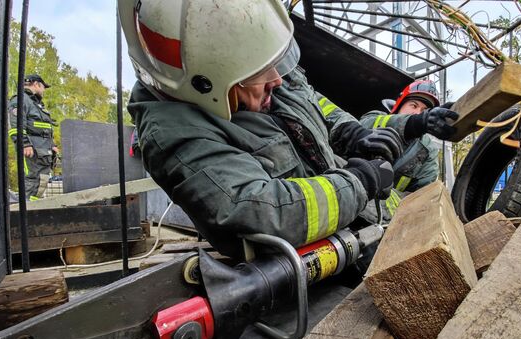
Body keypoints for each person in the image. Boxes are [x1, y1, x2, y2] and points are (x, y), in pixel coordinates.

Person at [119, 0, 405, 258]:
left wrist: (351, 132)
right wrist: (358, 184)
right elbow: (262, 212)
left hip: (377, 226)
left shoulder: (260, 62)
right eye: (260, 71)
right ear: (208, 82)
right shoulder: (173, 132)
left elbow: (310, 102)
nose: (277, 79)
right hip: (316, 272)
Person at [361, 80, 459, 193]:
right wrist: (414, 123)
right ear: (399, 106)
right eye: (414, 105)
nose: (418, 113)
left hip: (388, 209)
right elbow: (362, 127)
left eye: (424, 110)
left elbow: (421, 196)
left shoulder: (428, 150)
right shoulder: (376, 117)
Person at [8, 74, 59, 201]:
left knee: (39, 185)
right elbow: (16, 125)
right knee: (32, 183)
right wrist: (25, 143)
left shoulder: (35, 104)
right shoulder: (20, 100)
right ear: (36, 84)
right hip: (33, 153)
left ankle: (33, 212)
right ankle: (27, 213)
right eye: (43, 87)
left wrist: (52, 145)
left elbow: (43, 128)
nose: (43, 91)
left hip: (43, 153)